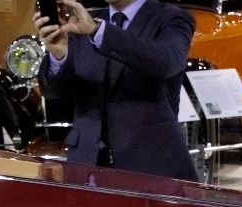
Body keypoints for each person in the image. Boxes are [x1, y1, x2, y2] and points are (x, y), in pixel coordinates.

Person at [35, 0, 196, 181]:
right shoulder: (82, 21)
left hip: (151, 167)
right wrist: (59, 55)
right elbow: (53, 93)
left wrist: (98, 31)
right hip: (86, 165)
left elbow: (166, 62)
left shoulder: (171, 18)